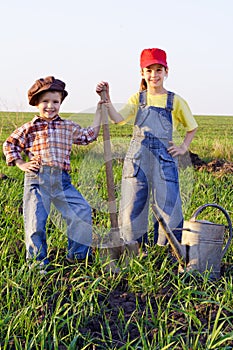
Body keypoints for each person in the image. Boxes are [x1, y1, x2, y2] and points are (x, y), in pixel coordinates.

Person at [96, 48, 198, 254]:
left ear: (166, 71)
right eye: (149, 70)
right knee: (133, 203)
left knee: (168, 204)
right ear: (142, 73)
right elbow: (118, 119)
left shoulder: (174, 101)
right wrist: (107, 101)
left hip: (164, 160)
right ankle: (134, 248)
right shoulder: (138, 98)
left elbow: (192, 127)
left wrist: (183, 147)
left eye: (159, 70)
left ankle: (168, 250)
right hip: (138, 158)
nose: (154, 75)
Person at [3, 76, 102, 271]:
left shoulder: (67, 126)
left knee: (81, 211)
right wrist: (21, 163)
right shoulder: (30, 128)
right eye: (45, 101)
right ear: (36, 103)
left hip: (62, 181)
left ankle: (78, 257)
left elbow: (89, 135)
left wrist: (100, 109)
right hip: (37, 180)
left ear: (61, 103)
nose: (50, 106)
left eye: (55, 101)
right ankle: (38, 264)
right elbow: (10, 144)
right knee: (35, 222)